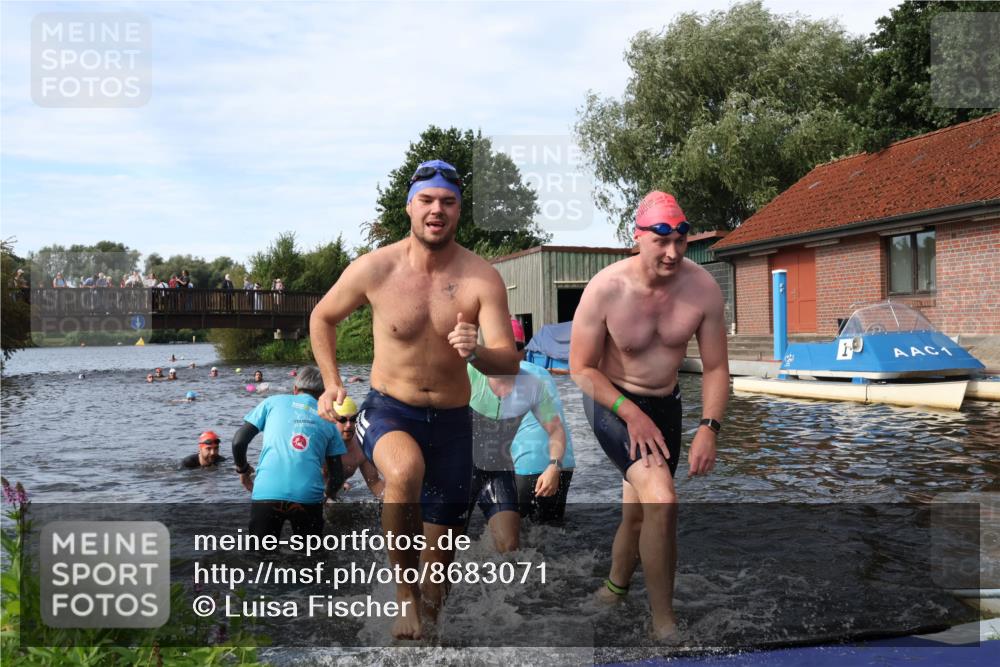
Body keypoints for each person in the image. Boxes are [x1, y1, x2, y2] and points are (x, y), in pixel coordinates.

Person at [309, 159, 520, 639]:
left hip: (452, 422)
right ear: (410, 206)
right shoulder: (375, 268)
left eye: (448, 202)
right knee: (403, 472)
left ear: (459, 212)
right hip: (390, 408)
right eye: (427, 200)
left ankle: (426, 627)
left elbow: (508, 362)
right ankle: (403, 599)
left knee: (437, 576)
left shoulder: (481, 278)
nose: (436, 210)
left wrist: (478, 351)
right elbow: (322, 318)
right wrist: (331, 381)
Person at [570, 191, 729, 641]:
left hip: (666, 404)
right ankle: (664, 624)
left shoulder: (702, 289)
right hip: (611, 399)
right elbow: (579, 369)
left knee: (641, 514)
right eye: (661, 240)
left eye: (681, 239)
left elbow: (717, 368)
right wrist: (630, 414)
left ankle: (614, 589)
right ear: (636, 238)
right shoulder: (606, 288)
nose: (673, 251)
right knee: (663, 499)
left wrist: (709, 427)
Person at [466, 317, 566, 553]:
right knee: (442, 545)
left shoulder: (533, 385)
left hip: (498, 472)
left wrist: (554, 466)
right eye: (503, 350)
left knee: (510, 547)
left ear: (523, 351)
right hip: (459, 471)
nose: (511, 355)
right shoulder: (468, 374)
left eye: (518, 347)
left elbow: (556, 430)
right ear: (488, 351)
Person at [230, 366, 346, 539]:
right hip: (307, 496)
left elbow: (238, 441)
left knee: (259, 557)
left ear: (295, 389)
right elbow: (337, 474)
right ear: (323, 394)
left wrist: (243, 470)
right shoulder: (329, 420)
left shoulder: (271, 402)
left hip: (266, 492)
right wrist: (328, 494)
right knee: (311, 558)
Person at [511, 317, 576, 524]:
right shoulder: (540, 371)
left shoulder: (493, 375)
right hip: (562, 463)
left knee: (511, 541)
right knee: (552, 533)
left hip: (527, 465)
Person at [330, 396, 384, 498]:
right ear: (331, 421)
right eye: (342, 420)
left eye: (353, 419)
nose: (348, 425)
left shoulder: (360, 446)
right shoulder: (320, 445)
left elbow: (375, 483)